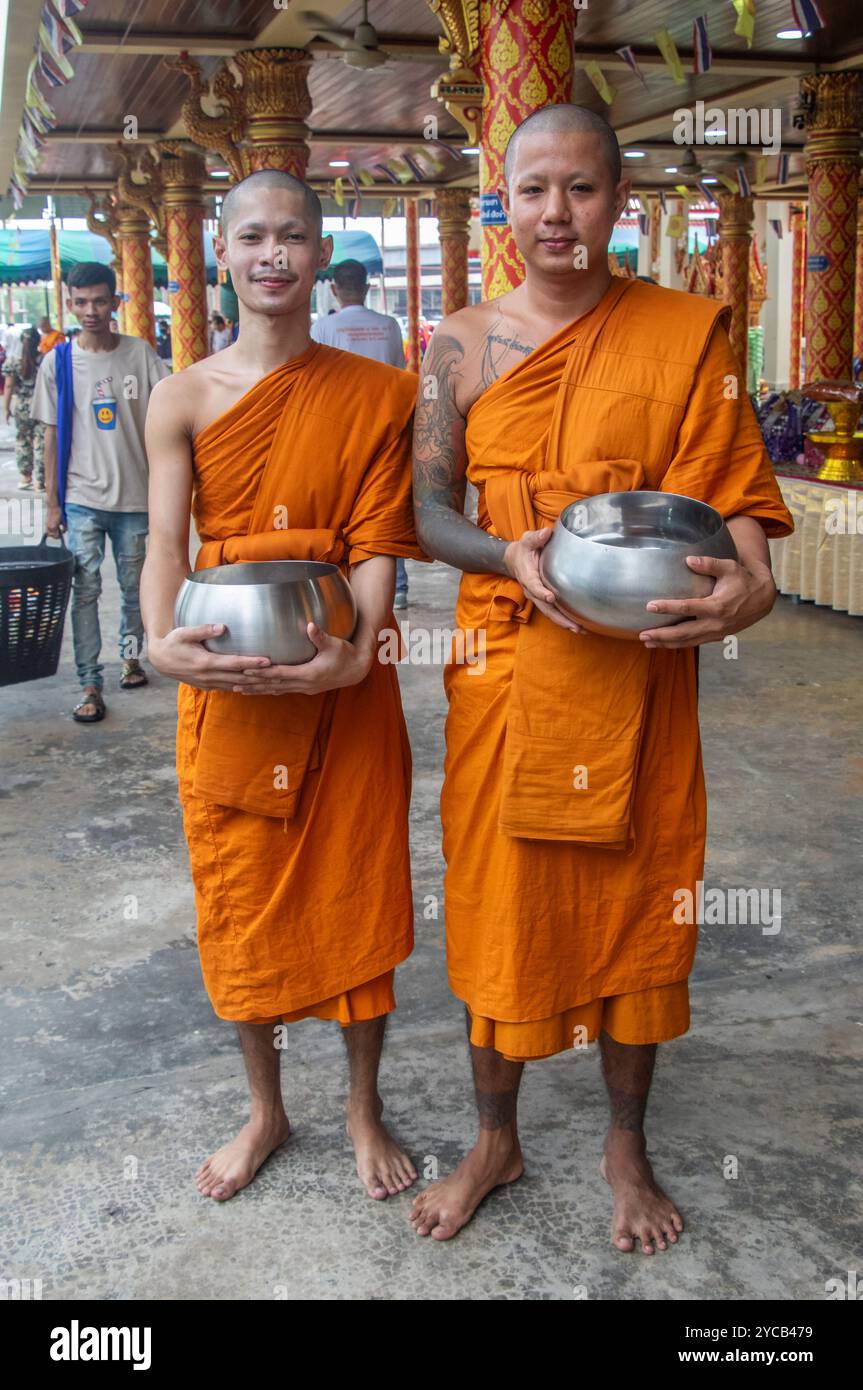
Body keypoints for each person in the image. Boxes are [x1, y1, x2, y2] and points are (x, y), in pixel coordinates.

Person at [410, 104, 794, 1250]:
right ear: (502, 202)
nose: (554, 214)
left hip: (635, 672)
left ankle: (624, 1143)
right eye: (532, 190)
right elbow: (425, 513)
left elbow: (731, 494)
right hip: (504, 668)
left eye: (579, 190)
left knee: (639, 908)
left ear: (616, 202)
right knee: (494, 909)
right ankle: (495, 1135)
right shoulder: (459, 344)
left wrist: (756, 581)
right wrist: (505, 550)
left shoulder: (684, 332)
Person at [140, 169, 423, 1204]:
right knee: (241, 897)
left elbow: (379, 537)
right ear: (222, 253)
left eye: (292, 235)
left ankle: (360, 1105)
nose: (272, 254)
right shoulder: (181, 395)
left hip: (340, 669)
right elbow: (167, 545)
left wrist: (364, 645)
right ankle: (265, 1107)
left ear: (317, 253)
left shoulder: (379, 392)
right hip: (228, 664)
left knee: (356, 889)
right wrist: (160, 642)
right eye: (252, 235)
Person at [32, 261, 169, 722]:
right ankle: (90, 681)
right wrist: (52, 502)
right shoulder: (59, 362)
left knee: (134, 591)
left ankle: (130, 657)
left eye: (98, 301)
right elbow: (51, 435)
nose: (90, 310)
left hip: (135, 498)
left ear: (115, 302)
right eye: (81, 302)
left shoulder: (140, 355)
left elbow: (167, 421)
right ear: (70, 304)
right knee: (85, 591)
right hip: (81, 498)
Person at [312, 260, 411, 607]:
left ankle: (345, 580)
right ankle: (396, 586)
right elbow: (399, 375)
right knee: (384, 505)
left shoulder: (324, 327)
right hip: (387, 427)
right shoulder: (388, 325)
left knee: (343, 509)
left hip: (338, 432)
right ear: (367, 288)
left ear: (334, 289)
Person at [3, 326, 44, 490]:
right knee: (42, 442)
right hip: (42, 406)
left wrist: (6, 408)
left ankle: (26, 477)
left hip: (22, 407)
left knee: (23, 440)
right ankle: (41, 480)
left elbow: (8, 386)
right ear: (38, 341)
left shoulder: (13, 361)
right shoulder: (44, 359)